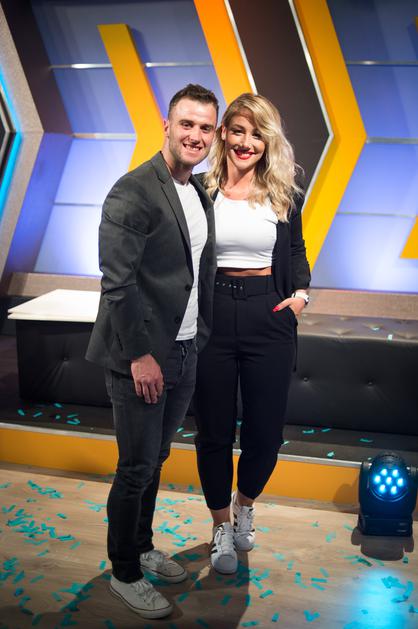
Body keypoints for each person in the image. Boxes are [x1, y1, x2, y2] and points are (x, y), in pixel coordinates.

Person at [86, 84, 218, 619]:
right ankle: (124, 572)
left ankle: (140, 547)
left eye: (205, 127)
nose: (196, 135)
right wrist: (140, 356)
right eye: (187, 123)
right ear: (167, 125)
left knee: (155, 459)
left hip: (184, 349)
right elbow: (117, 284)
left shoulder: (197, 190)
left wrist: (195, 338)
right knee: (135, 467)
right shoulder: (133, 190)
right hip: (142, 357)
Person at [193, 93, 311, 574]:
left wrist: (300, 296)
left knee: (265, 435)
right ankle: (221, 526)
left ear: (268, 141)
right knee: (213, 432)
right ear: (223, 133)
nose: (246, 142)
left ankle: (244, 504)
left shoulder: (283, 193)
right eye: (238, 131)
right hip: (213, 314)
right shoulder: (200, 190)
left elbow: (296, 251)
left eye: (257, 134)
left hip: (269, 313)